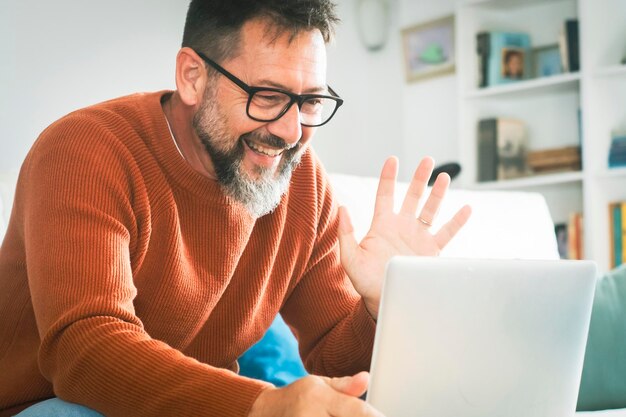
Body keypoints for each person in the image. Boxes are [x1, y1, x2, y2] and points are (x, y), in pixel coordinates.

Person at [0, 1, 471, 416]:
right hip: (49, 405)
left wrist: (380, 306)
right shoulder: (86, 151)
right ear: (192, 76)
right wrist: (262, 405)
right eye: (267, 96)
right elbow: (86, 351)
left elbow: (336, 360)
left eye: (309, 101)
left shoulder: (301, 182)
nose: (290, 132)